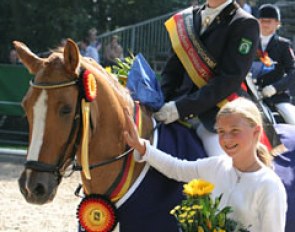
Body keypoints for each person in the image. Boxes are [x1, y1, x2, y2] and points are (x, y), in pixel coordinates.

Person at [123, 97, 287, 232]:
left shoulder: (269, 185)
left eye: (235, 131)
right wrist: (142, 147)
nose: (227, 139)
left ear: (256, 132)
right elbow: (176, 168)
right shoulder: (216, 165)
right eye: (221, 131)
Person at [154, 0, 260, 156]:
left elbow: (230, 79)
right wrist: (162, 101)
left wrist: (181, 108)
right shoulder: (188, 18)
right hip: (176, 104)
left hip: (216, 115)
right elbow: (172, 70)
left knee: (223, 168)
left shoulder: (244, 23)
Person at [253, 4, 295, 124]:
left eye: (269, 21)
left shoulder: (283, 45)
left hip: (277, 97)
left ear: (277, 23)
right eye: (262, 21)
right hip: (251, 95)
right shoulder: (250, 44)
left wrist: (275, 88)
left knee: (292, 119)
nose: (265, 24)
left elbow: (292, 72)